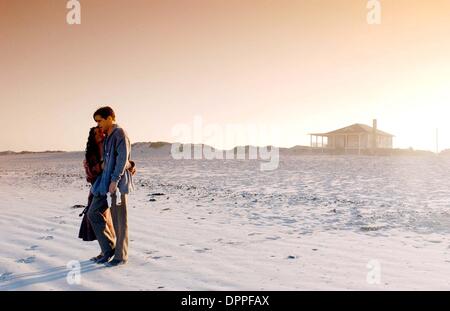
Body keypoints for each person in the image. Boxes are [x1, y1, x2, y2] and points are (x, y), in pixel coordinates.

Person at [88, 106, 134, 267]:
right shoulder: (108, 136)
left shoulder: (120, 133)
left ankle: (121, 257)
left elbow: (122, 159)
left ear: (110, 118)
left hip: (118, 184)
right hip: (105, 183)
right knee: (93, 213)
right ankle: (108, 249)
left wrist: (115, 180)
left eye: (100, 120)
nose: (98, 124)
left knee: (120, 220)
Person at [78, 126, 116, 262]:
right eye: (96, 133)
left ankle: (108, 249)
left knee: (94, 214)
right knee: (99, 217)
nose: (99, 133)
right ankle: (106, 249)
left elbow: (118, 160)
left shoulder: (108, 145)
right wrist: (99, 166)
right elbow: (91, 173)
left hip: (108, 185)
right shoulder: (92, 151)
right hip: (97, 187)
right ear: (92, 136)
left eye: (100, 131)